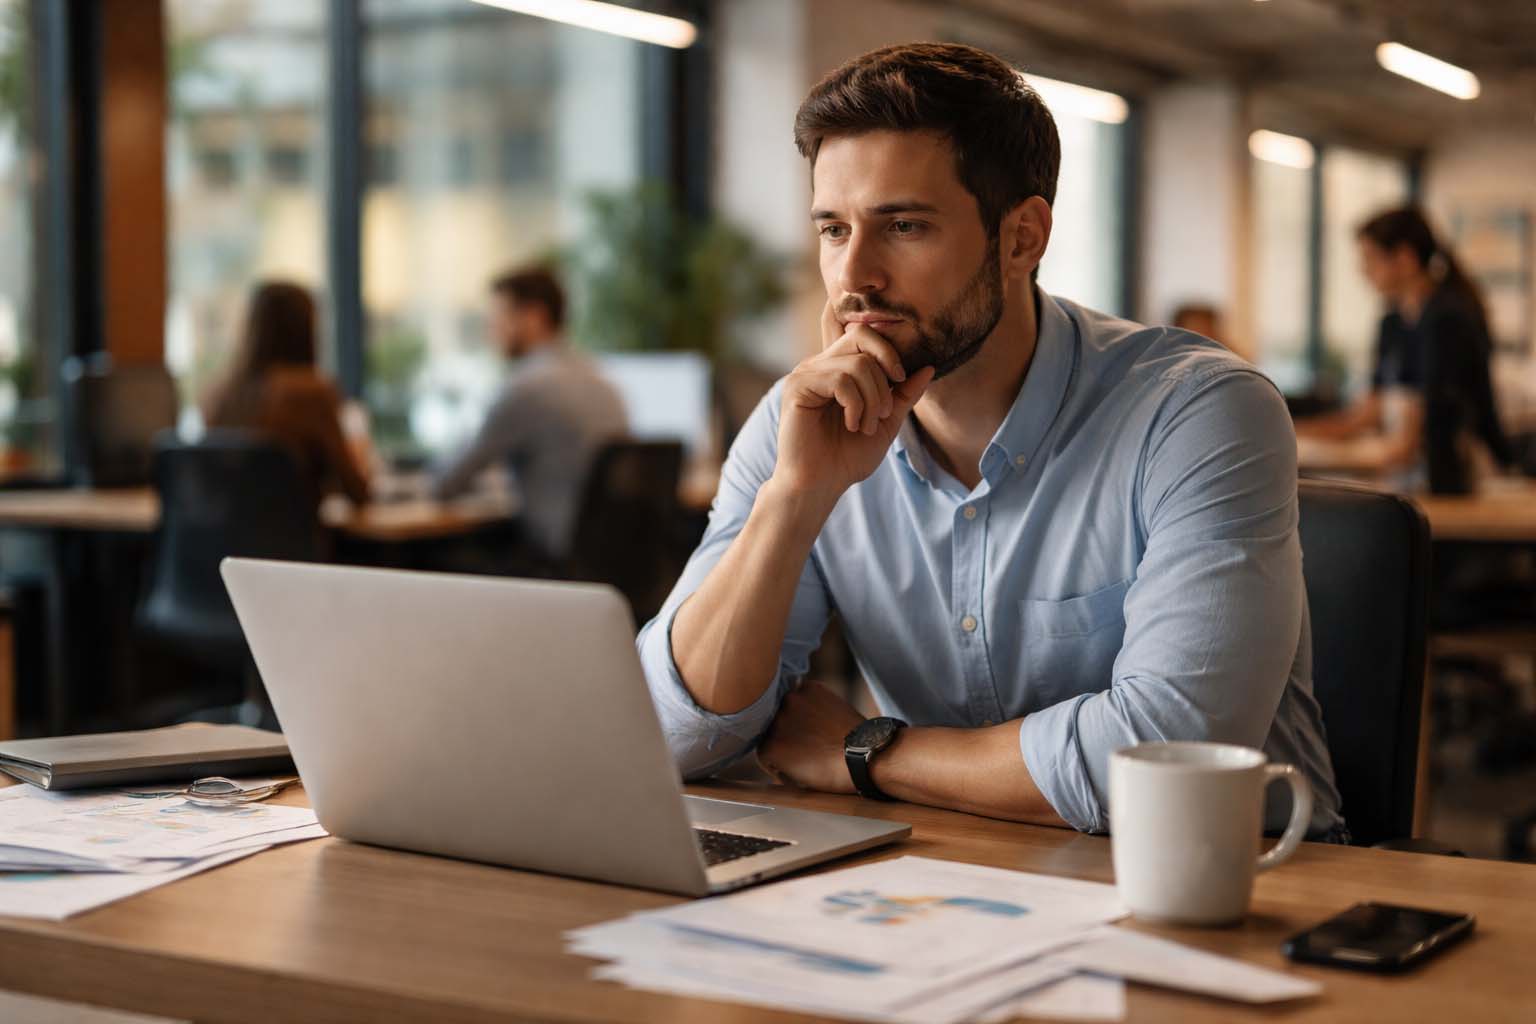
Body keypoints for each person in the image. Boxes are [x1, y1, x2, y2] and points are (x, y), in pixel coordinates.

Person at [635, 42, 1346, 841]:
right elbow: (673, 735)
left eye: (903, 226)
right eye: (834, 229)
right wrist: (795, 500)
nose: (853, 277)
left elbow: (1172, 757)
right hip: (955, 890)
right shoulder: (798, 422)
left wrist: (868, 752)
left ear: (1022, 239)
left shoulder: (1198, 412)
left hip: (1243, 891)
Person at [1294, 206, 1512, 494]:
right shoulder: (1392, 322)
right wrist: (1295, 431)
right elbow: (1370, 411)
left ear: (1405, 258)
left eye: (1370, 258)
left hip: (1453, 471)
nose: (1363, 270)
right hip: (1407, 468)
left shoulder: (1448, 318)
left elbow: (1422, 428)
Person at [431, 267, 627, 561]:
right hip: (612, 557)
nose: (491, 331)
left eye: (499, 318)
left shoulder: (527, 388)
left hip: (555, 559)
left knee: (439, 559)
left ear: (534, 317)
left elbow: (446, 484)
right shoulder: (604, 382)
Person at [203, 281, 371, 505]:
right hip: (293, 538)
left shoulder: (221, 395)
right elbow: (356, 491)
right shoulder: (311, 394)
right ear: (306, 330)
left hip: (220, 540)